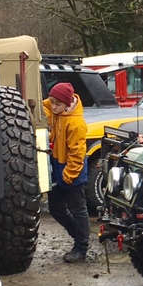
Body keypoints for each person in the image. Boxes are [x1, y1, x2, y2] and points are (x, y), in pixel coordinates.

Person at [43, 82, 90, 263]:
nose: (53, 107)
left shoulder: (76, 123)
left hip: (72, 170)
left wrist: (68, 176)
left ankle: (81, 247)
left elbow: (77, 155)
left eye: (58, 104)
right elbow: (44, 105)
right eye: (52, 102)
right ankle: (77, 235)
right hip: (58, 166)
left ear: (67, 103)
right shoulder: (56, 109)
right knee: (56, 209)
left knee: (78, 210)